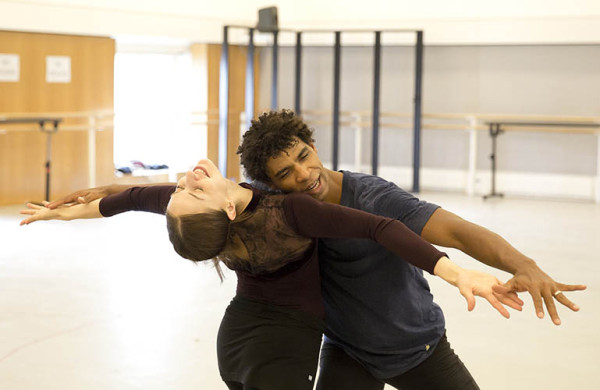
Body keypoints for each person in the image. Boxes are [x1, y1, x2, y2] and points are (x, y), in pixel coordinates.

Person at [46, 109, 586, 389]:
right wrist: (94, 200)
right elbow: (155, 197)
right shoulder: (266, 205)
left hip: (415, 347)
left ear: (313, 144)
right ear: (268, 184)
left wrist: (523, 266)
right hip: (348, 351)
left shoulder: (374, 196)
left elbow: (460, 232)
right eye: (287, 172)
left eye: (306, 156)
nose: (307, 175)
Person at [20, 158, 520, 390]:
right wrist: (457, 275)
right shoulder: (258, 212)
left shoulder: (251, 208)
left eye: (183, 188)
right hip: (264, 332)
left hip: (295, 329)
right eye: (189, 192)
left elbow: (126, 200)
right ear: (224, 215)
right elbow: (129, 202)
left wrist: (61, 211)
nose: (186, 181)